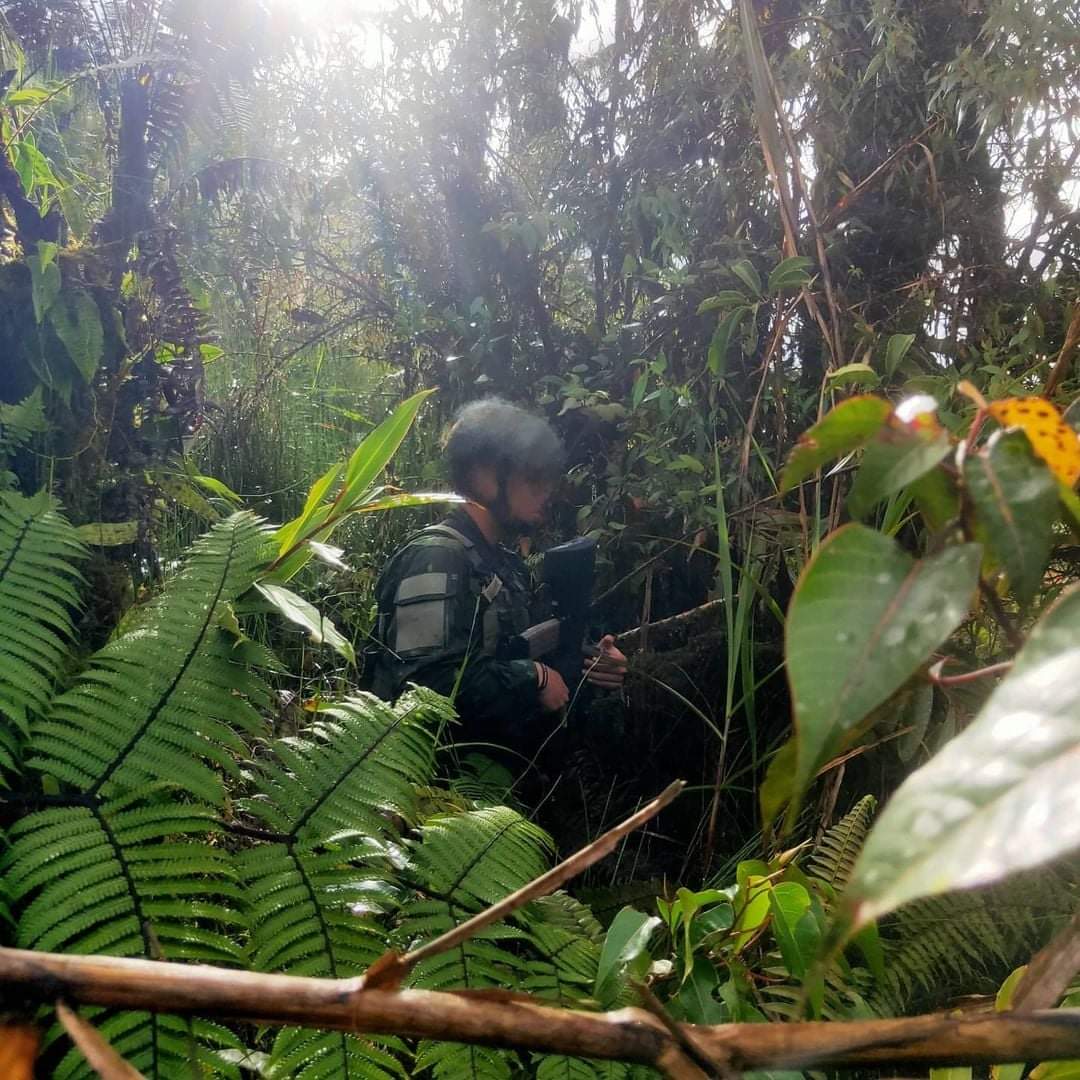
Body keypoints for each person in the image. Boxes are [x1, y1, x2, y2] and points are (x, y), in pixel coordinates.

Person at [368, 398, 626, 773]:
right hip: (432, 789)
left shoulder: (501, 564)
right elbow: (423, 689)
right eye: (533, 476)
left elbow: (517, 655)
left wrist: (595, 663)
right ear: (486, 475)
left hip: (491, 786)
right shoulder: (437, 556)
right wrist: (534, 678)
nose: (547, 491)